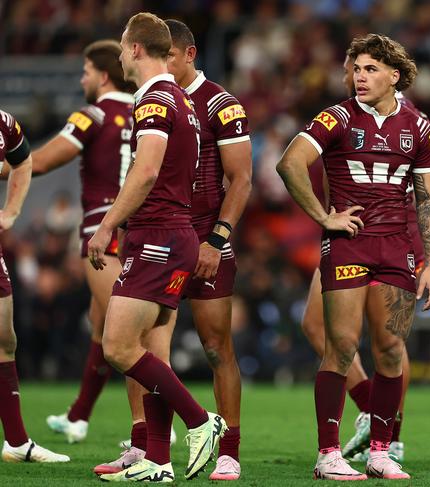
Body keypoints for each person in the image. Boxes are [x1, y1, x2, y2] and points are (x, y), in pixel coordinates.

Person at [277, 34, 430, 480]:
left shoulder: (418, 126)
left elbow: (428, 200)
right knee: (342, 346)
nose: (359, 76)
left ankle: (382, 450)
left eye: (370, 69)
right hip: (349, 242)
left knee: (390, 351)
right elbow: (290, 163)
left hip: (398, 248)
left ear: (395, 75)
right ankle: (327, 453)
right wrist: (322, 217)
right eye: (356, 69)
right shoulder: (336, 117)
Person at [95, 19, 253, 481]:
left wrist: (108, 224)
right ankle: (156, 459)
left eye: (122, 49)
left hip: (168, 235)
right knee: (151, 353)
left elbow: (149, 173)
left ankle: (207, 426)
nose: (120, 57)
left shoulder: (165, 100)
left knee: (124, 346)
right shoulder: (182, 101)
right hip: (175, 232)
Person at [23, 40, 137, 445]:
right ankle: (79, 416)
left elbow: (45, 159)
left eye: (86, 71)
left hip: (102, 232)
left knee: (125, 334)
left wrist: (9, 165)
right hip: (138, 229)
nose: (82, 78)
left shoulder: (94, 114)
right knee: (101, 325)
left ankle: (152, 427)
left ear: (103, 75)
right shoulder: (144, 111)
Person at [0, 109, 70, 463]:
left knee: (4, 338)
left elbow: (22, 162)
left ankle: (16, 442)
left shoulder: (4, 123)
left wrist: (11, 210)